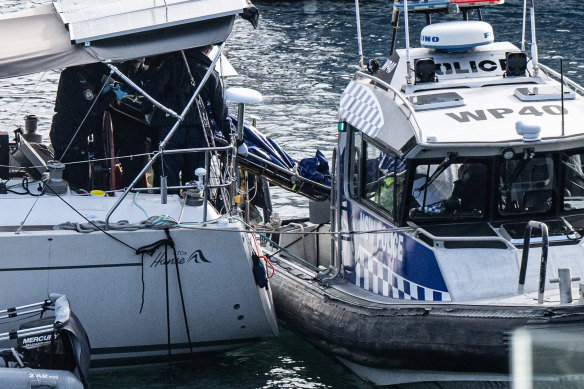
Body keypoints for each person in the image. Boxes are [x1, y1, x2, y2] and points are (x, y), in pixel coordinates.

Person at [148, 45, 235, 191]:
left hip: (171, 129)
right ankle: (195, 204)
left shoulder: (169, 66)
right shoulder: (210, 74)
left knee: (168, 179)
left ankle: (167, 206)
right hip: (198, 131)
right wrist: (234, 138)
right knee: (196, 180)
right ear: (208, 50)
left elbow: (154, 92)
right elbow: (220, 112)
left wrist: (145, 110)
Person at [49, 63, 114, 191]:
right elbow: (92, 108)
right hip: (70, 132)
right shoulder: (76, 77)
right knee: (77, 173)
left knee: (69, 164)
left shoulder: (71, 73)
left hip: (66, 129)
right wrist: (110, 95)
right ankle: (74, 194)